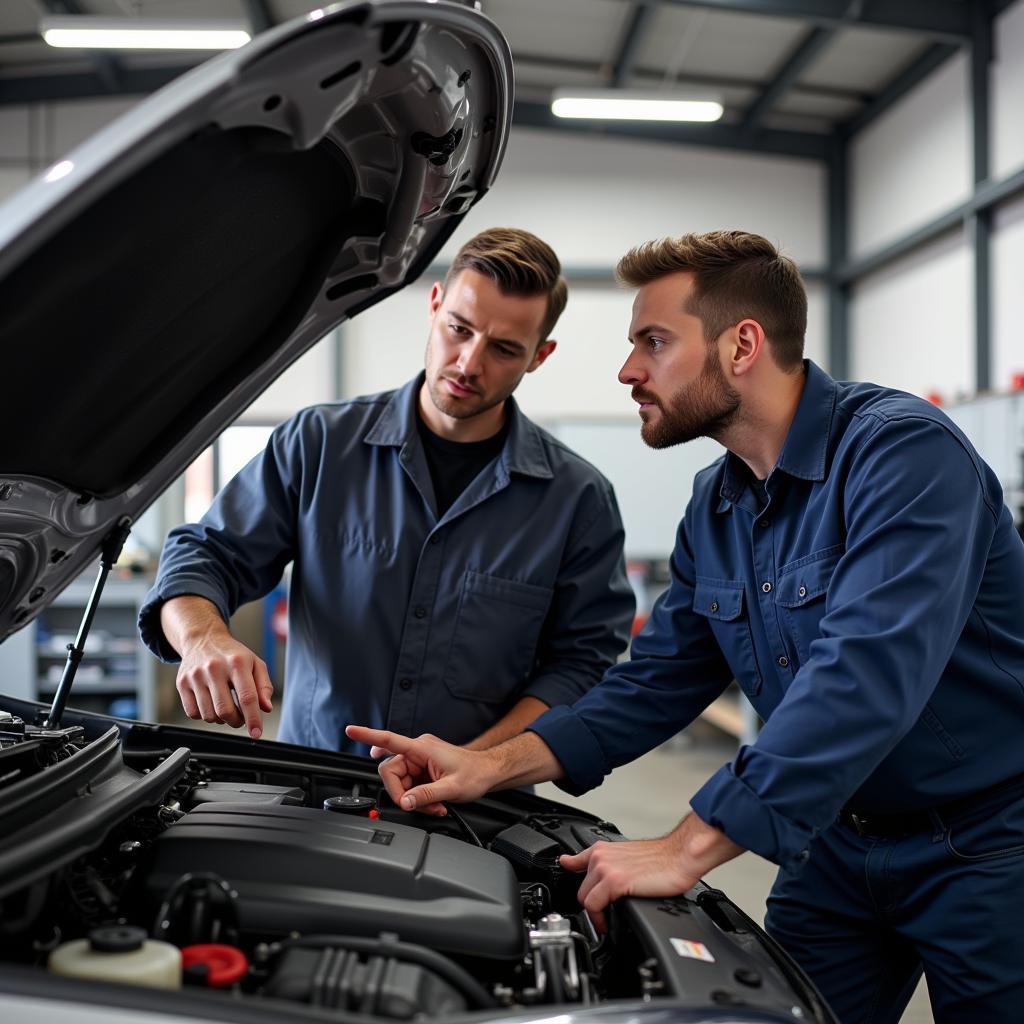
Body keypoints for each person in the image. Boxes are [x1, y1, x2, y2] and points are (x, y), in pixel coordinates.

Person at [349, 230, 1024, 1023]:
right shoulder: (719, 501)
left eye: (653, 342)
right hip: (832, 840)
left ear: (742, 344)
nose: (629, 371)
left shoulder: (902, 456)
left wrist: (687, 845)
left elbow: (865, 674)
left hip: (988, 847)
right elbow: (653, 682)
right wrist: (485, 765)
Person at [139, 227, 634, 754]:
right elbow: (205, 555)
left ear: (540, 355)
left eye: (505, 349)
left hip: (479, 807)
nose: (469, 363)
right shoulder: (319, 446)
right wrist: (201, 637)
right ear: (435, 304)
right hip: (315, 785)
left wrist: (475, 763)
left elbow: (581, 664)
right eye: (459, 329)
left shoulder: (577, 500)